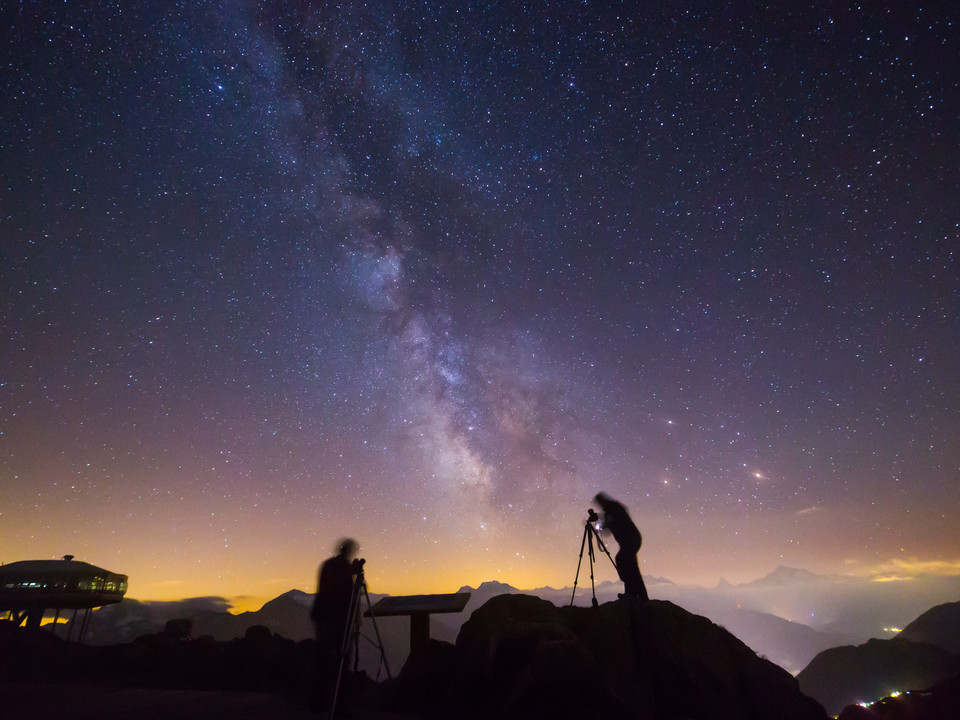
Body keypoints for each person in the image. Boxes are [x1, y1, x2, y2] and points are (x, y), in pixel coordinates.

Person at [311, 538, 359, 713]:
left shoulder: (329, 565)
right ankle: (336, 705)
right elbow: (332, 587)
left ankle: (322, 701)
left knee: (325, 660)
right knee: (336, 661)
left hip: (328, 618)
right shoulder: (336, 567)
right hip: (333, 620)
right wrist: (350, 573)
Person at [593, 493, 649, 601]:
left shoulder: (612, 509)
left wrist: (601, 522)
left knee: (626, 563)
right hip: (631, 540)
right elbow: (608, 526)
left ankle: (636, 595)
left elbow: (610, 524)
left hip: (630, 540)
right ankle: (635, 594)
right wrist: (601, 521)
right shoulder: (612, 508)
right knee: (629, 566)